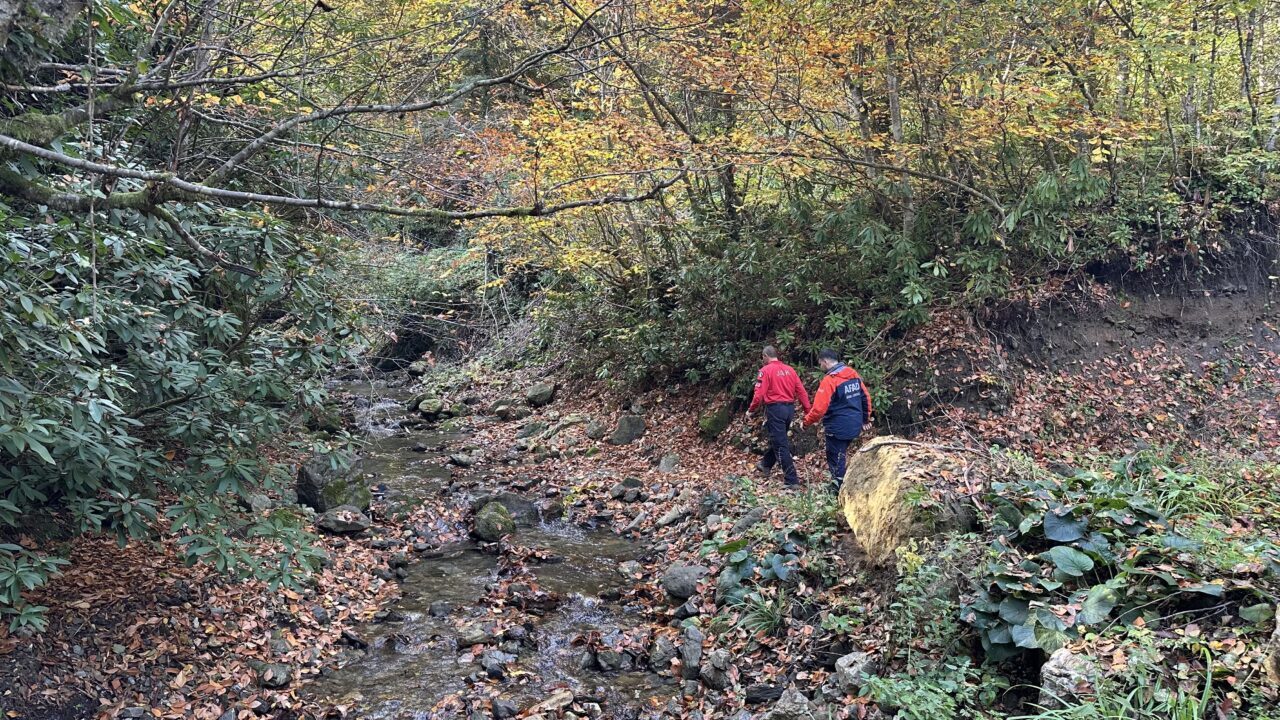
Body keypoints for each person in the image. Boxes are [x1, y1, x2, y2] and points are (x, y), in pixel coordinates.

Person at [802, 349, 872, 490]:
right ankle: (841, 484)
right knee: (842, 455)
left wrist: (806, 422)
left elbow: (819, 409)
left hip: (838, 427)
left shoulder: (830, 381)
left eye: (820, 363)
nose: (820, 366)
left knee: (836, 458)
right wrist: (865, 419)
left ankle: (838, 489)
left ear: (825, 361)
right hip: (854, 425)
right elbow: (866, 398)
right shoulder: (853, 375)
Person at [746, 346, 811, 487]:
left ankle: (791, 480)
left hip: (775, 409)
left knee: (781, 444)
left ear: (765, 356)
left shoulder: (765, 371)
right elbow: (801, 392)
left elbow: (758, 395)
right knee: (778, 439)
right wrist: (808, 411)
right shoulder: (790, 370)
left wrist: (751, 410)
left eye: (762, 358)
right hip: (789, 410)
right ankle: (766, 464)